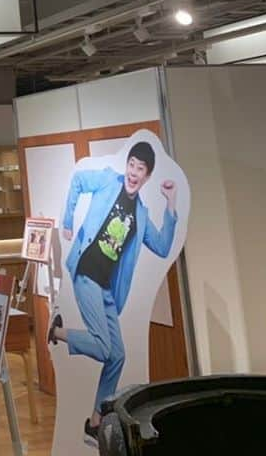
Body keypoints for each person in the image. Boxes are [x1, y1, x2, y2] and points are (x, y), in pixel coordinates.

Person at [47, 141, 178, 448]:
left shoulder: (142, 215)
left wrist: (171, 203)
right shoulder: (108, 179)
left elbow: (161, 246)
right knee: (105, 348)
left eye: (140, 169)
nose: (133, 172)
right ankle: (57, 330)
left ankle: (95, 422)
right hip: (86, 274)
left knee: (117, 355)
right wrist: (67, 220)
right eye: (131, 164)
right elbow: (79, 181)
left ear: (146, 177)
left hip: (106, 288)